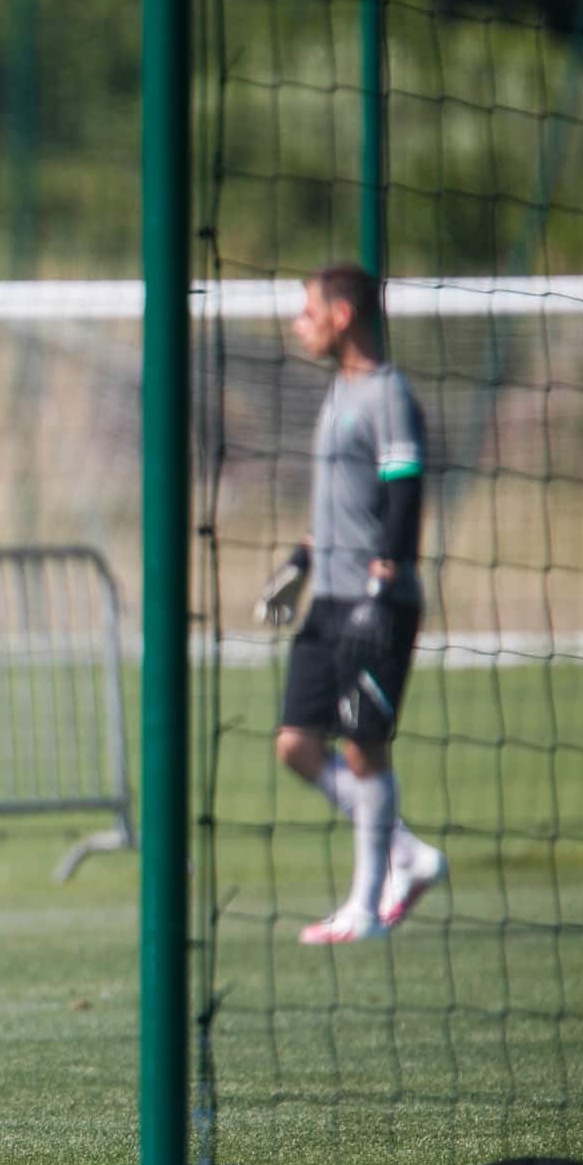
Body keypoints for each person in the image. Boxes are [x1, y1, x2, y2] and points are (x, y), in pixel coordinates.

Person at [255, 262, 446, 945]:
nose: (297, 323)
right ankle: (407, 854)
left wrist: (380, 587)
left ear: (342, 316)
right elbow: (346, 505)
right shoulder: (338, 390)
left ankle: (364, 907)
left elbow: (403, 494)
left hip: (376, 604)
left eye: (307, 311)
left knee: (365, 752)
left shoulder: (390, 395)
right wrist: (299, 563)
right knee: (295, 744)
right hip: (328, 599)